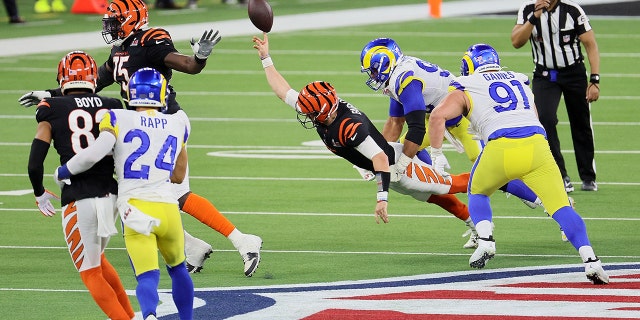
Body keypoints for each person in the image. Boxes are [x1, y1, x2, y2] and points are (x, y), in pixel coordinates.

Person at [18, 0, 263, 277]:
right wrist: (50, 93)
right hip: (145, 123)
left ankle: (242, 240)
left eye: (114, 21)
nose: (109, 27)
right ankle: (193, 247)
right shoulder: (120, 49)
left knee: (173, 193)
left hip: (166, 120)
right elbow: (93, 83)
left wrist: (200, 58)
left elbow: (187, 65)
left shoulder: (150, 40)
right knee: (146, 193)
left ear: (132, 19)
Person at [252, 33, 478, 248]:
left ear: (324, 111)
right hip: (383, 162)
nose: (308, 116)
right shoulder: (325, 111)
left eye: (311, 113)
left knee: (452, 185)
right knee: (433, 196)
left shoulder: (348, 126)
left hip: (394, 165)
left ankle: (499, 179)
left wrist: (382, 198)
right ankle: (473, 223)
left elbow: (380, 158)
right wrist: (265, 58)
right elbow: (284, 92)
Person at [427, 43, 609, 285]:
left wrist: (437, 153)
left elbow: (438, 116)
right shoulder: (519, 80)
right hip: (538, 146)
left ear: (471, 65)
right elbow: (532, 117)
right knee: (562, 207)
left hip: (502, 146)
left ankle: (486, 241)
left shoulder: (466, 85)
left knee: (477, 190)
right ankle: (591, 260)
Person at [55, 67, 194, 320]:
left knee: (147, 276)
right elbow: (178, 176)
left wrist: (65, 170)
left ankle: (150, 315)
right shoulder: (178, 123)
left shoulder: (117, 117)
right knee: (178, 270)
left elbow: (96, 153)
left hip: (135, 207)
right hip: (168, 207)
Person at [359, 37, 545, 215]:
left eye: (373, 70)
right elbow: (395, 122)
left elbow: (416, 130)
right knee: (404, 152)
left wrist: (401, 166)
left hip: (463, 119)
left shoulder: (406, 79)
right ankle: (462, 211)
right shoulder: (398, 76)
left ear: (385, 62)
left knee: (488, 170)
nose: (373, 76)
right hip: (435, 120)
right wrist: (377, 155)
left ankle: (541, 199)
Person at [27, 51, 135, 320]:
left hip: (79, 196)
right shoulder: (112, 104)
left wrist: (39, 192)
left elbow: (35, 160)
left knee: (89, 271)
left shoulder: (51, 107)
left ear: (62, 78)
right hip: (111, 194)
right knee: (98, 260)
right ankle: (132, 316)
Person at [511, 0, 600, 192]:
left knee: (581, 123)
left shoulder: (572, 10)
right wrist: (534, 17)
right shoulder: (528, 9)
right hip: (544, 75)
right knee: (544, 119)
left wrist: (594, 80)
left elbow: (590, 44)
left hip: (574, 73)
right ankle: (561, 175)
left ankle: (588, 176)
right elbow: (516, 41)